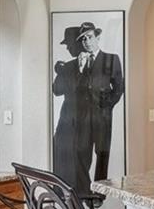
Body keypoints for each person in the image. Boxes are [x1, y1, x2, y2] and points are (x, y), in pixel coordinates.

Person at [51, 21, 124, 194]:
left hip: (102, 118)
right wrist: (62, 71)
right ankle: (85, 191)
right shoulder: (73, 64)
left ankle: (100, 193)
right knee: (82, 154)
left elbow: (119, 87)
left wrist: (107, 105)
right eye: (83, 39)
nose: (87, 41)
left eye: (90, 37)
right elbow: (57, 90)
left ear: (97, 37)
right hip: (82, 119)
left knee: (102, 154)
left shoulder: (111, 59)